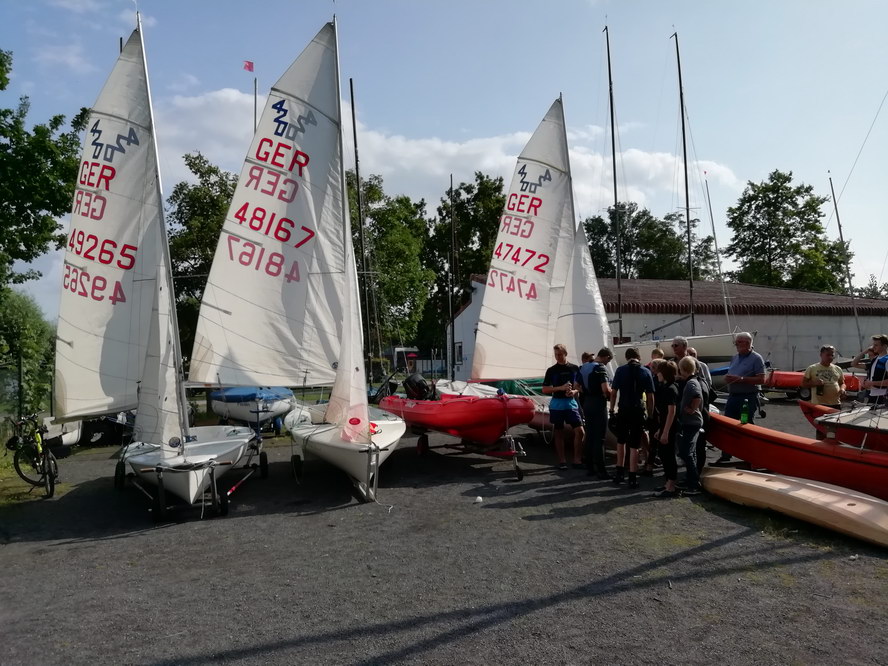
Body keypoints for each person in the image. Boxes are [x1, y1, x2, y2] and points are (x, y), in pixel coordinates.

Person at [609, 347, 655, 488]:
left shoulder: (620, 370)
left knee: (621, 441)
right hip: (638, 409)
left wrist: (611, 409)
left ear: (627, 357)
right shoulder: (646, 371)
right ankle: (633, 476)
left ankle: (619, 472)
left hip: (624, 408)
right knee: (635, 444)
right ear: (639, 357)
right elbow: (650, 396)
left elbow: (613, 392)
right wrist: (650, 415)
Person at [721, 332, 765, 462]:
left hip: (747, 398)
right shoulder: (735, 357)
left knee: (746, 425)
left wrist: (741, 379)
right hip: (733, 396)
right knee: (728, 426)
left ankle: (750, 456)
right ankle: (726, 456)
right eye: (736, 342)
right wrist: (728, 378)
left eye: (738, 342)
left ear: (747, 343)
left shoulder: (756, 358)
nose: (736, 344)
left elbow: (762, 379)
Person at [542, 344, 585, 469]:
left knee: (580, 431)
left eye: (560, 354)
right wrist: (560, 388)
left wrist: (574, 391)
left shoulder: (574, 368)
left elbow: (579, 387)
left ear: (566, 353)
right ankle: (562, 461)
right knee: (559, 432)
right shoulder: (551, 370)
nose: (558, 357)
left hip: (571, 403)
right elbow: (544, 389)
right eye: (556, 354)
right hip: (557, 404)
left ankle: (577, 460)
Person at [580, 347, 613, 479]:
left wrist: (587, 392)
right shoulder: (600, 368)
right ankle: (601, 471)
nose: (607, 364)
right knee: (599, 438)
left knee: (589, 435)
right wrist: (611, 394)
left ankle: (590, 468)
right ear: (606, 357)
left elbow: (576, 386)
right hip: (598, 403)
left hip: (587, 403)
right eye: (608, 361)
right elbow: (605, 389)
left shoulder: (583, 367)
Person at [650, 360, 680, 498]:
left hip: (670, 427)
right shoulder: (666, 387)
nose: (657, 374)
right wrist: (660, 430)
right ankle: (668, 482)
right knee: (663, 454)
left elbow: (671, 412)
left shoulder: (670, 389)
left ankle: (671, 486)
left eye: (659, 372)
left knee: (668, 456)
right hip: (664, 426)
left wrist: (665, 432)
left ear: (664, 373)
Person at [676, 356, 704, 495]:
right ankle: (690, 479)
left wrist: (692, 409)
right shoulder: (693, 380)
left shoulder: (691, 383)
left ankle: (694, 484)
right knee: (690, 452)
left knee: (686, 452)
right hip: (692, 421)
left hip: (691, 421)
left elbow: (697, 396)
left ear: (683, 369)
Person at [860, 334, 888, 406]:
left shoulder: (887, 360)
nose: (873, 347)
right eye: (873, 345)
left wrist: (872, 383)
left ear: (884, 346)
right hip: (872, 395)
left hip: (883, 396)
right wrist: (867, 383)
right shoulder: (875, 359)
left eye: (876, 345)